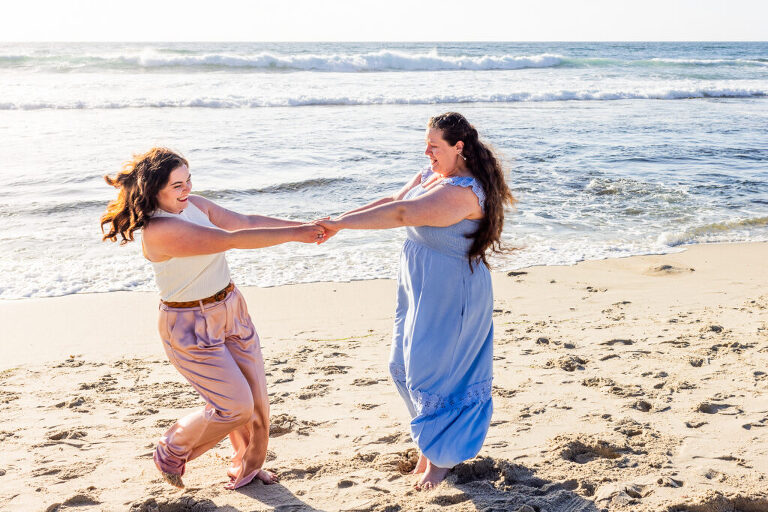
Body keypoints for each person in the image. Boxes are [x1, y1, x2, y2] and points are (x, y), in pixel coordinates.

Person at [100, 147, 325, 490]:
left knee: (258, 407)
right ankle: (171, 449)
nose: (186, 190)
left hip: (232, 308)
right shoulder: (160, 230)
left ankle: (246, 467)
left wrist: (305, 226)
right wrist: (295, 235)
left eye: (188, 180)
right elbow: (228, 239)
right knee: (234, 406)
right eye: (177, 185)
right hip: (189, 325)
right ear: (154, 189)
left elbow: (245, 223)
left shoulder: (196, 205)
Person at [317, 112, 514, 489]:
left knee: (434, 374)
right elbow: (395, 199)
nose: (426, 152)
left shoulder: (462, 193)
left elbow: (403, 212)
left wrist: (341, 226)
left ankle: (441, 459)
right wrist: (338, 220)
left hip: (452, 291)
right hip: (418, 284)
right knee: (401, 366)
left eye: (434, 146)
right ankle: (429, 443)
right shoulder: (430, 176)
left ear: (458, 147)